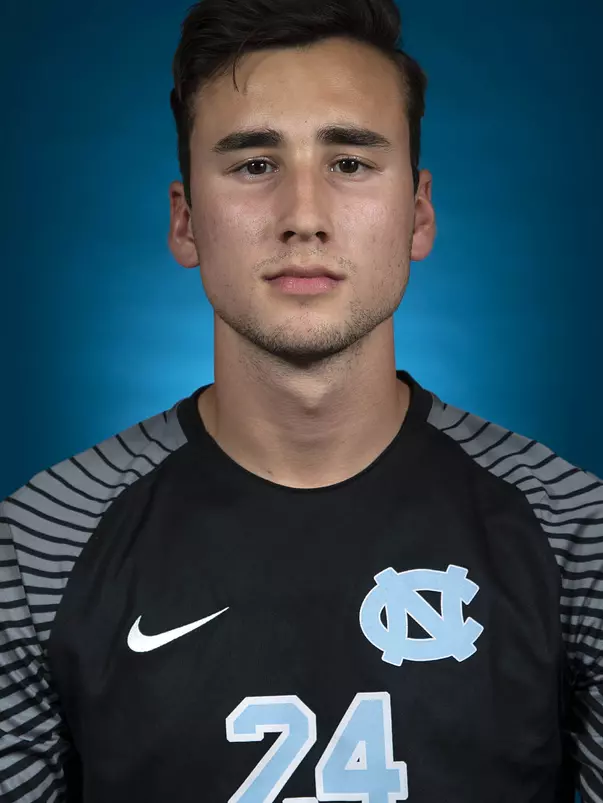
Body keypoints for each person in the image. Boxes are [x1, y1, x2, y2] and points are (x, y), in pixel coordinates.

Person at [1, 0, 601, 800]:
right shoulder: (40, 545)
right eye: (254, 164)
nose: (303, 218)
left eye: (349, 163)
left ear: (417, 213)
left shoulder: (574, 534)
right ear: (185, 222)